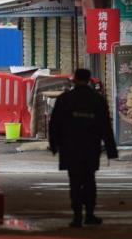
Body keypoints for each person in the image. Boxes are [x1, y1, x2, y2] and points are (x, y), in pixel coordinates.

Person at [49, 69, 118, 228]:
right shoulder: (97, 99)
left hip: (70, 147)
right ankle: (90, 214)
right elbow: (105, 126)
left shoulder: (64, 99)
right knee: (89, 180)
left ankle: (77, 216)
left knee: (74, 181)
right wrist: (111, 149)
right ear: (89, 80)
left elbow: (55, 125)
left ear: (74, 80)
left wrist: (54, 145)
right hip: (90, 147)